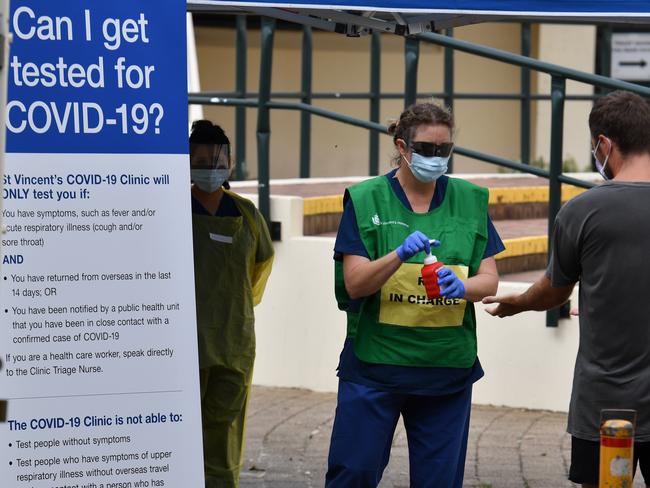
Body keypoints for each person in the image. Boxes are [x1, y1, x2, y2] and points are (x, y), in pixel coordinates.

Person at [326, 102, 505, 487]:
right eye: (426, 148)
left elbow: (489, 280)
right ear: (402, 147)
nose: (435, 157)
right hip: (376, 369)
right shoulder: (366, 199)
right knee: (353, 473)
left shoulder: (470, 200)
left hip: (445, 371)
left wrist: (464, 288)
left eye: (444, 149)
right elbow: (356, 283)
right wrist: (399, 255)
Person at [483, 90, 650, 488]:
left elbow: (554, 292)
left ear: (605, 144)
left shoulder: (581, 211)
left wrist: (515, 304)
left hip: (606, 405)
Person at [189, 120, 274, 487]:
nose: (210, 168)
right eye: (201, 160)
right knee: (181, 431)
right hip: (183, 342)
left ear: (230, 163)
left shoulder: (247, 214)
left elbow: (260, 267)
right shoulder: (171, 210)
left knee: (224, 435)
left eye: (216, 160)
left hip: (233, 341)